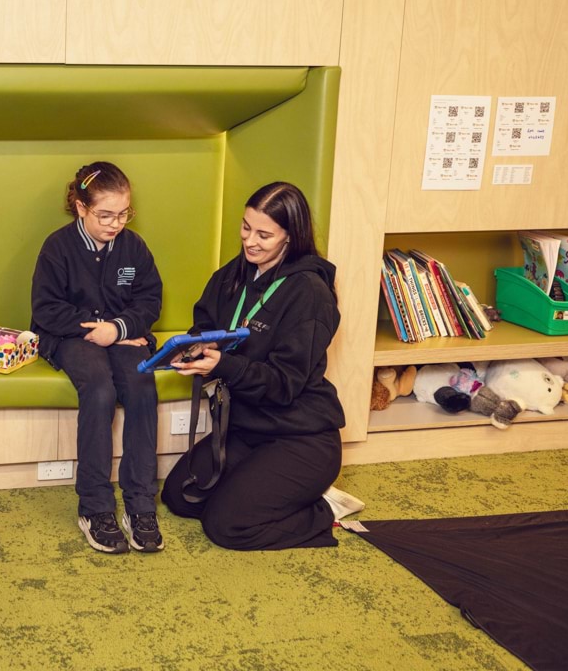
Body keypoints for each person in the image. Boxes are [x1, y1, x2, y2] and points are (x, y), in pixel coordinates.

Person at [160, 181, 360, 550]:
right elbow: (205, 322)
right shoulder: (234, 274)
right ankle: (261, 492)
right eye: (246, 227)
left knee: (227, 527)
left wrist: (222, 365)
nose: (250, 241)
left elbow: (284, 384)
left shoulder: (310, 293)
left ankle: (321, 510)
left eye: (264, 234)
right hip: (245, 430)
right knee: (179, 497)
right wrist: (196, 345)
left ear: (290, 237)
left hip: (300, 438)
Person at [30, 162, 164, 554]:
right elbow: (46, 310)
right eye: (105, 215)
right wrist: (98, 329)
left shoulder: (133, 247)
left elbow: (149, 299)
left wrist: (119, 329)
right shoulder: (57, 247)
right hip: (70, 336)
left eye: (124, 214)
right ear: (80, 207)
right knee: (100, 390)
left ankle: (140, 504)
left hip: (121, 335)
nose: (115, 224)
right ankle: (95, 506)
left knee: (141, 384)